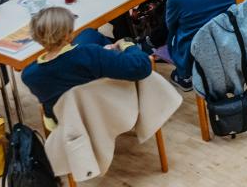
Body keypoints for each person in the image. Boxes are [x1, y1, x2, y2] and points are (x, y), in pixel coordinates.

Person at [21, 7, 151, 122]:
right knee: (89, 35)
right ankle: (113, 55)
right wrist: (127, 44)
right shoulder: (91, 54)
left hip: (67, 123)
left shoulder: (29, 75)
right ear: (68, 34)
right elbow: (142, 67)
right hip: (108, 112)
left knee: (88, 34)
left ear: (36, 38)